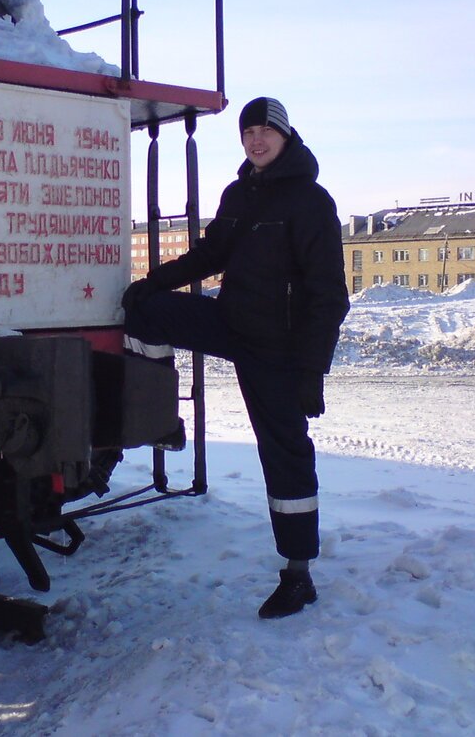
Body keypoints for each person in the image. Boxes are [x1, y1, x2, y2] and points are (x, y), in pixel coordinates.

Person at [122, 97, 350, 619]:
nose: (256, 140)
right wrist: (153, 281)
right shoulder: (238, 194)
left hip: (279, 349)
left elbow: (328, 295)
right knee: (145, 312)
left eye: (265, 131)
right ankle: (160, 416)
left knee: (284, 451)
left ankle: (298, 574)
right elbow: (210, 255)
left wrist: (312, 371)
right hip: (233, 324)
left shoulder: (310, 202)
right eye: (247, 132)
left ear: (286, 136)